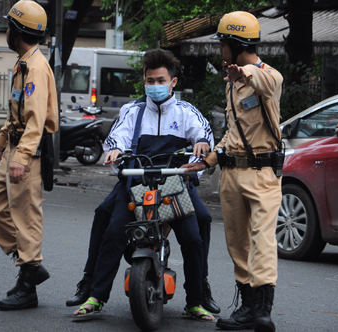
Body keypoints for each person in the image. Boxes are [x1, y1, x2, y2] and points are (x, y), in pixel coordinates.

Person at [72, 49, 215, 321]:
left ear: (173, 82)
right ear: (144, 81)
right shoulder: (132, 111)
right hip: (137, 184)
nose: (155, 86)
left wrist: (201, 144)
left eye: (161, 80)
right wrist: (113, 152)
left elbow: (204, 136)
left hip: (175, 186)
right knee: (112, 230)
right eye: (150, 80)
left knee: (196, 232)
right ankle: (94, 295)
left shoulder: (187, 112)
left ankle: (197, 298)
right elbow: (116, 140)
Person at [182, 11, 283, 332]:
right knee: (237, 242)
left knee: (263, 239)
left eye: (223, 43)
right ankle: (248, 308)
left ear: (235, 44)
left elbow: (270, 81)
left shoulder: (265, 76)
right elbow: (231, 135)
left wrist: (247, 72)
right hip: (231, 174)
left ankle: (264, 309)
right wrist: (206, 161)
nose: (220, 49)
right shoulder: (232, 84)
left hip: (263, 174)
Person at [0, 0, 58, 311]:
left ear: (16, 31)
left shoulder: (36, 68)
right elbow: (15, 110)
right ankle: (30, 265)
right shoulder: (23, 63)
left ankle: (28, 283)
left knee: (26, 217)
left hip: (29, 150)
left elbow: (36, 119)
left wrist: (20, 157)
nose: (5, 30)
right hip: (15, 146)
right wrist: (2, 140)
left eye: (8, 26)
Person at [65, 177, 220, 314]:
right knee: (108, 224)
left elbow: (201, 150)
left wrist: (196, 158)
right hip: (136, 182)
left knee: (200, 226)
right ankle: (93, 290)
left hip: (175, 184)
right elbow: (118, 145)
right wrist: (116, 151)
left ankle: (199, 291)